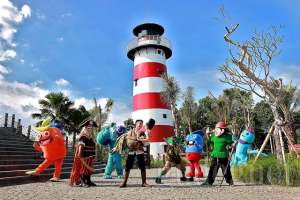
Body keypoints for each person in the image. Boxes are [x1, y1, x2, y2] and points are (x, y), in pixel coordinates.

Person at [119, 119, 154, 188]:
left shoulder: (142, 133)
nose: (140, 125)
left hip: (139, 151)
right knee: (127, 166)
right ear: (136, 124)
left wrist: (142, 140)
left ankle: (144, 182)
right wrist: (121, 147)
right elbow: (124, 140)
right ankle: (124, 182)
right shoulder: (129, 132)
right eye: (139, 123)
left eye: (141, 124)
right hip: (131, 151)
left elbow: (146, 143)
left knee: (142, 166)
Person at [202, 121, 234, 186]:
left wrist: (232, 145)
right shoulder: (214, 136)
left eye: (218, 128)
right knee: (213, 169)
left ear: (223, 130)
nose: (216, 130)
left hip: (224, 156)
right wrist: (208, 135)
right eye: (216, 128)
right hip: (215, 155)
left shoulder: (227, 136)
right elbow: (210, 142)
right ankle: (209, 182)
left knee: (226, 170)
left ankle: (230, 182)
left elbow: (231, 144)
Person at [69, 119, 97, 187]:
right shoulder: (83, 137)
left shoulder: (91, 137)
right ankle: (83, 181)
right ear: (85, 127)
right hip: (84, 156)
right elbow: (80, 147)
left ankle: (88, 181)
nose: (90, 128)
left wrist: (94, 156)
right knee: (84, 169)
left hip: (90, 156)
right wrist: (80, 155)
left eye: (91, 127)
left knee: (88, 170)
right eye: (88, 126)